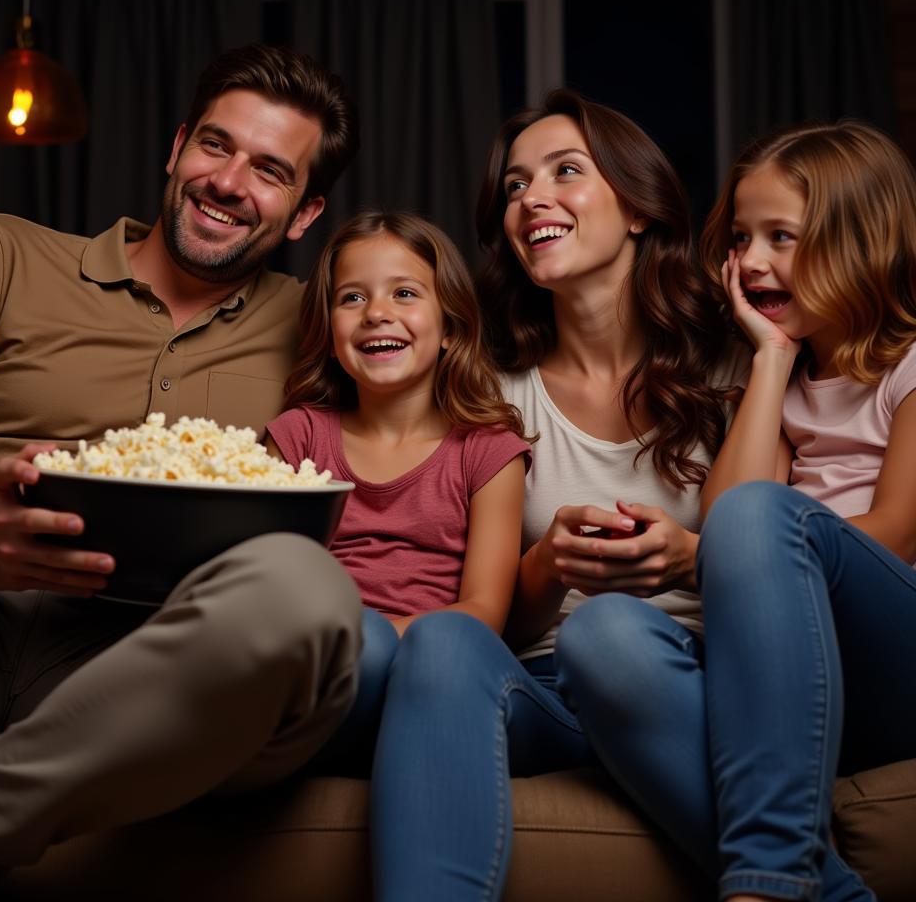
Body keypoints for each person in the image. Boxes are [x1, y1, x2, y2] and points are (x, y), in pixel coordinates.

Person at [0, 43, 362, 900]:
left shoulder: (325, 326)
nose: (228, 181)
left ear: (304, 214)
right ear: (178, 147)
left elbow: (467, 387)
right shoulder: (0, 254)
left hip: (155, 660)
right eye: (216, 146)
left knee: (305, 589)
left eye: (270, 171)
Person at [369, 89, 734, 900]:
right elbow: (495, 613)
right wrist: (550, 562)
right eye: (514, 186)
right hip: (539, 692)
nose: (531, 198)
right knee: (443, 641)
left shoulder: (734, 372)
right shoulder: (491, 393)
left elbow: (779, 578)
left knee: (612, 634)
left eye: (565, 172)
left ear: (639, 206)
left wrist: (683, 561)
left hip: (686, 682)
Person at [562, 120, 916, 902]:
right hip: (794, 680)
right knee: (600, 630)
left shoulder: (910, 368)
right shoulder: (783, 381)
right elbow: (728, 519)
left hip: (897, 661)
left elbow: (892, 534)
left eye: (781, 238)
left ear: (864, 241)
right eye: (743, 238)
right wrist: (773, 357)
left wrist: (727, 547)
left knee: (762, 515)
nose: (751, 262)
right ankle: (818, 890)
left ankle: (769, 881)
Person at [265, 210, 531, 775]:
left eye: (404, 293)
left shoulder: (488, 451)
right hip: (325, 680)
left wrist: (373, 639)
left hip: (435, 681)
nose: (377, 313)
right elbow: (271, 588)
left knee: (404, 642)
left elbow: (484, 611)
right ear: (330, 333)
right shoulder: (297, 438)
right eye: (352, 299)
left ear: (451, 327)